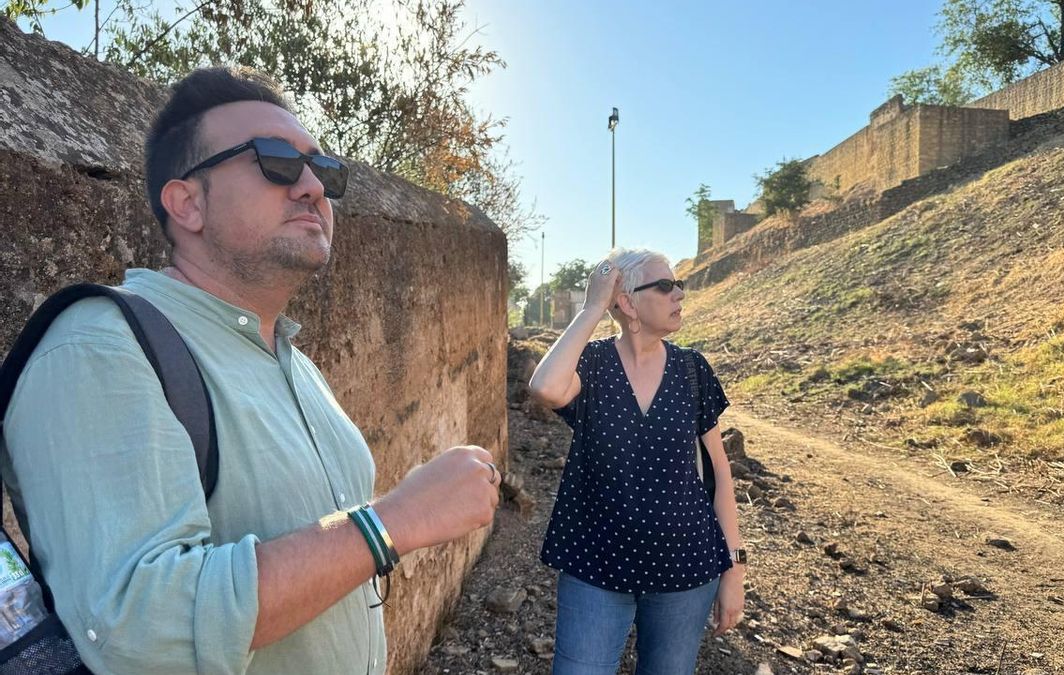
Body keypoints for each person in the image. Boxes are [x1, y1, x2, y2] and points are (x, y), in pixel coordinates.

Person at [0, 66, 500, 674]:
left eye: (323, 169)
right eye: (275, 161)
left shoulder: (294, 363)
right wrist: (395, 521)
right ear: (187, 203)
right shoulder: (99, 349)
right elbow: (136, 630)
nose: (313, 186)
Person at [528, 247, 745, 675]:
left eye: (678, 284)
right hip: (595, 564)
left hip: (685, 567)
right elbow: (547, 389)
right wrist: (593, 306)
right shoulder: (591, 365)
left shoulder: (692, 369)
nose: (678, 294)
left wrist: (734, 568)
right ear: (627, 302)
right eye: (665, 286)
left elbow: (719, 473)